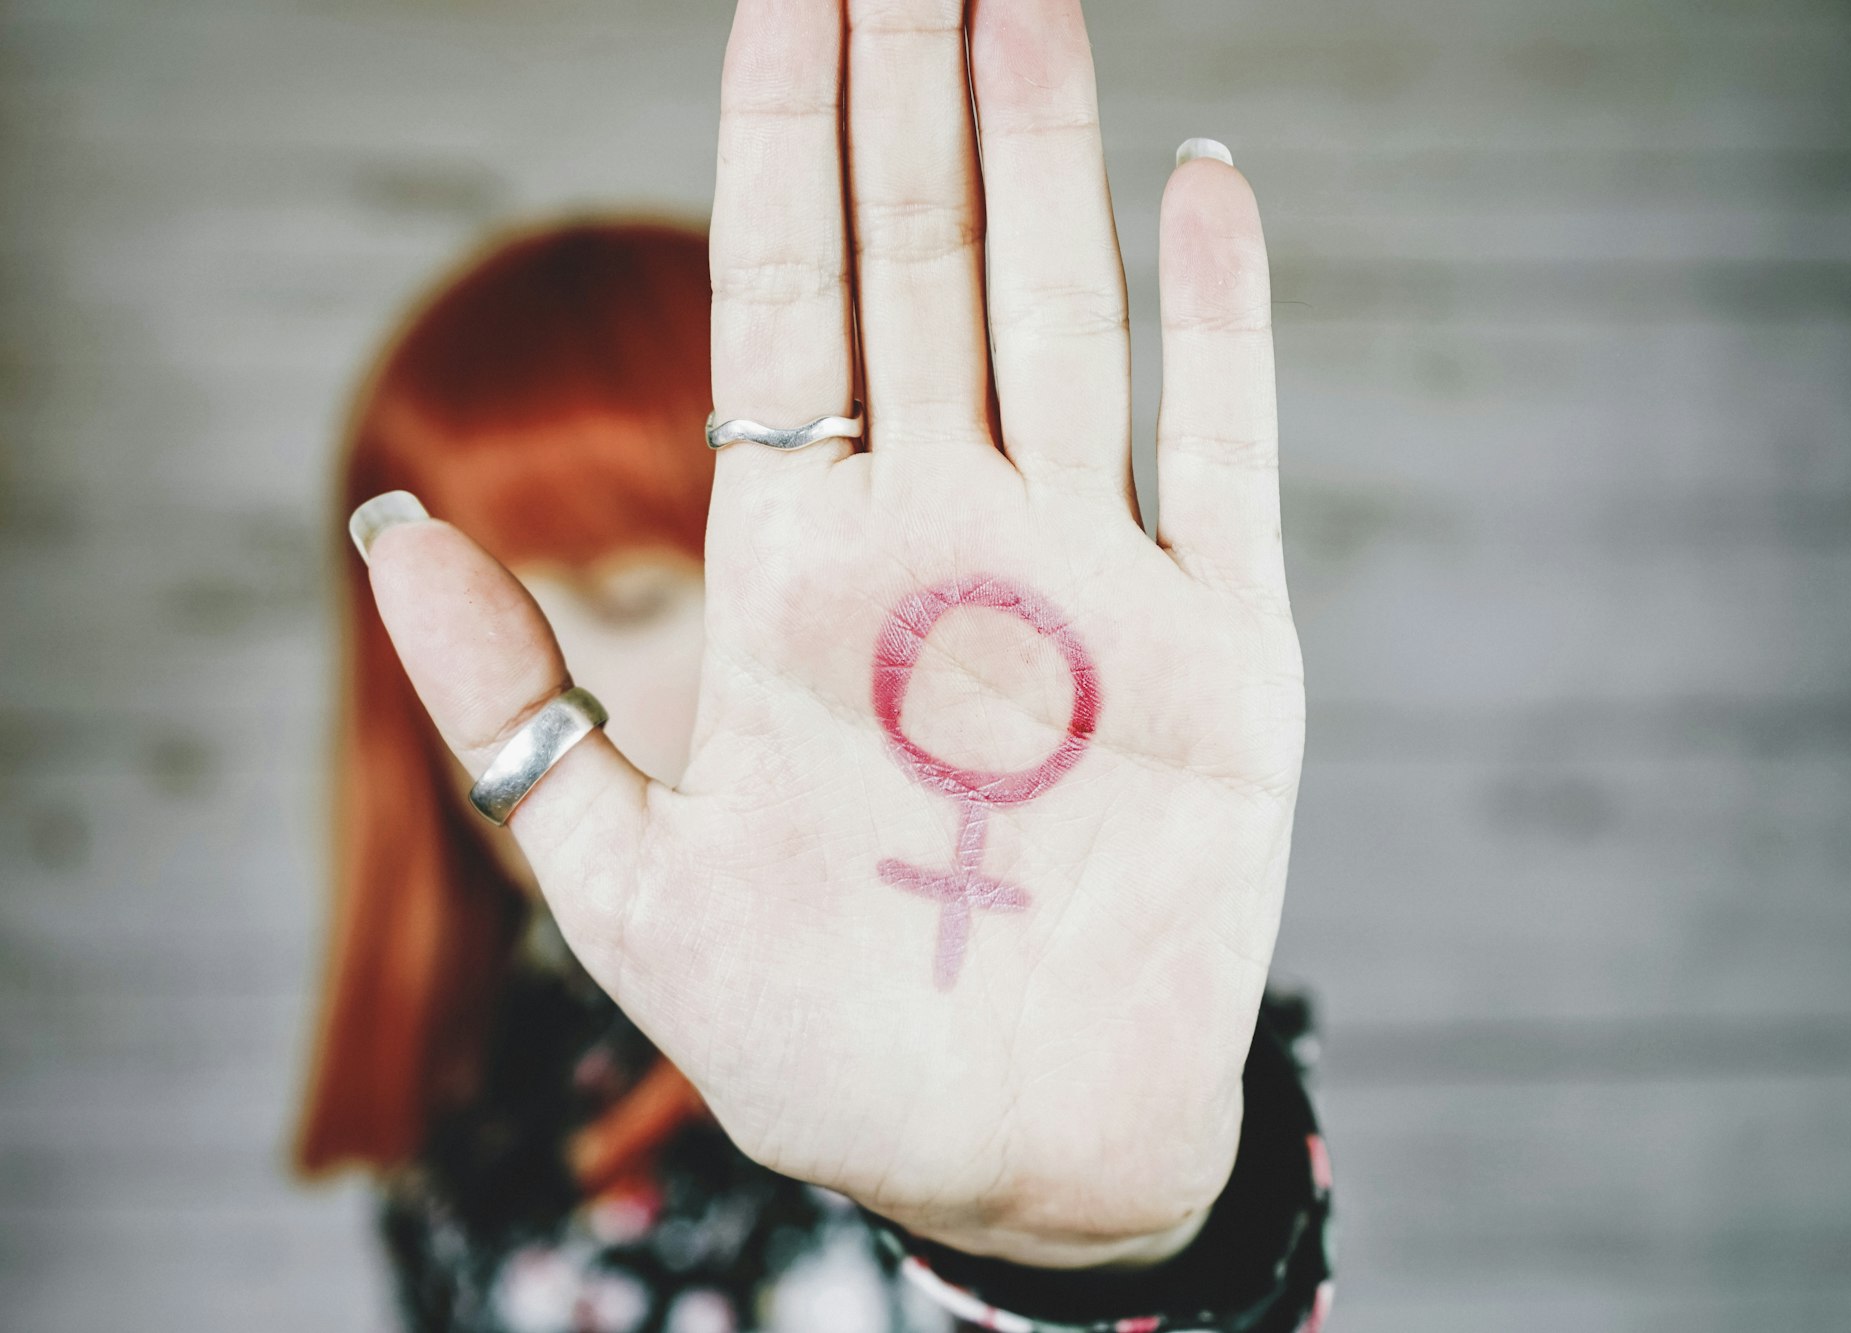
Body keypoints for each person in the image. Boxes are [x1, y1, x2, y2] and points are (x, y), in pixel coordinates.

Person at [298, 2, 1332, 1329]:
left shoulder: (1025, 1030)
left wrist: (1099, 1258)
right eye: (462, 614)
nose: (519, 681)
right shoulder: (475, 1114)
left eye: (628, 595)